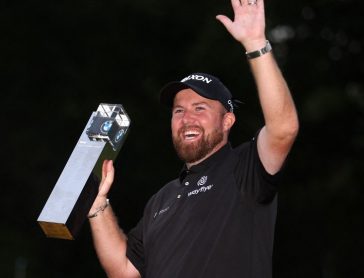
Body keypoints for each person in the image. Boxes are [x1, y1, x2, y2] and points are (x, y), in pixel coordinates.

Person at [88, 0, 299, 277]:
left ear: (227, 121)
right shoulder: (160, 201)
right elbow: (123, 270)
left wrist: (256, 43)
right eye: (179, 110)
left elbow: (283, 128)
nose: (187, 118)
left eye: (200, 108)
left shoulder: (245, 169)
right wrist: (98, 205)